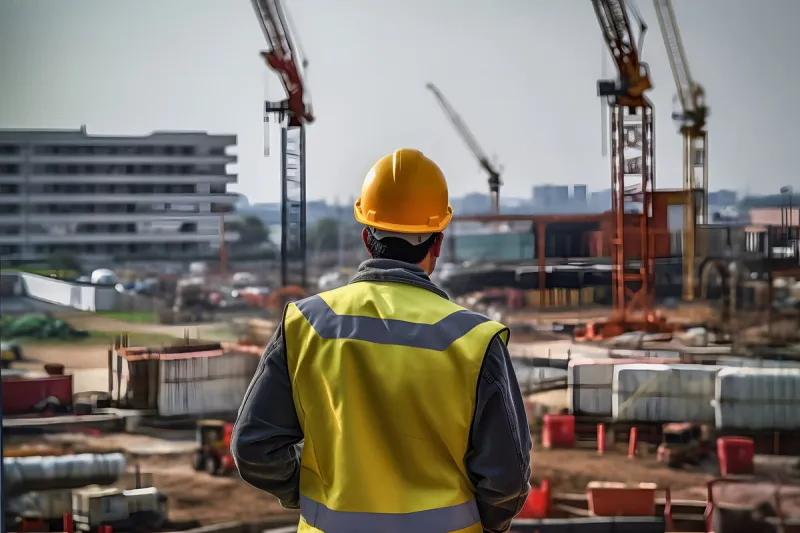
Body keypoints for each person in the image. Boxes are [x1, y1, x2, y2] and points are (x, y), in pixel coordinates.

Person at [231, 148, 532, 533]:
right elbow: (506, 478)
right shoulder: (474, 340)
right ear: (436, 244)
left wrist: (311, 495)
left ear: (365, 237)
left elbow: (254, 447)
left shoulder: (305, 325)